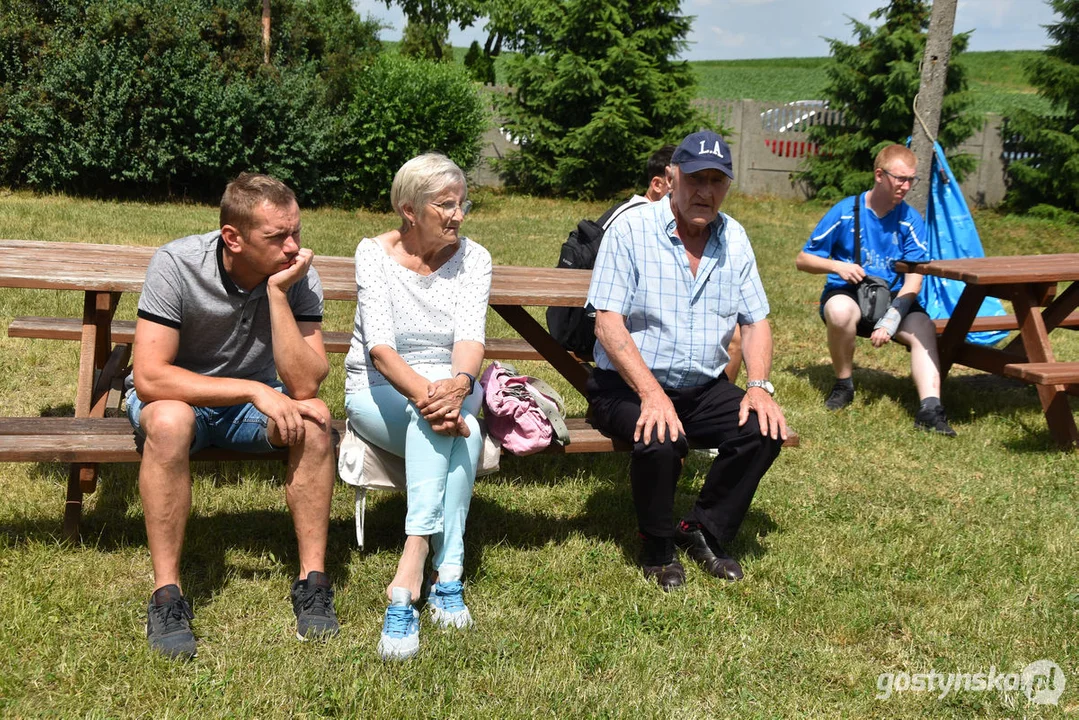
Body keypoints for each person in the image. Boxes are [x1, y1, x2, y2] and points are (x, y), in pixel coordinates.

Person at [126, 173, 338, 660]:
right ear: (232, 238)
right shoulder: (177, 264)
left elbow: (305, 384)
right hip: (182, 396)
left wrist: (279, 296)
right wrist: (251, 388)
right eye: (277, 237)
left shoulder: (296, 272)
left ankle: (313, 581)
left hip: (253, 405)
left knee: (314, 418)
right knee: (167, 422)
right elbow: (151, 378)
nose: (292, 247)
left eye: (296, 233)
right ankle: (167, 595)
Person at [586, 130, 787, 592]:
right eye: (696, 178)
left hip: (702, 386)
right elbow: (608, 323)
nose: (706, 190)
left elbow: (756, 321)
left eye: (717, 181)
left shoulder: (733, 237)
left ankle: (704, 528)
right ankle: (656, 544)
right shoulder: (632, 230)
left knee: (762, 429)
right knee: (659, 436)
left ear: (728, 187)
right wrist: (652, 394)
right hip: (627, 385)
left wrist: (757, 385)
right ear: (672, 178)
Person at [344, 153, 492, 661]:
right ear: (409, 210)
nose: (458, 215)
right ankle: (441, 571)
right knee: (453, 428)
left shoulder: (476, 258)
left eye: (461, 203)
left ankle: (411, 577)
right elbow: (381, 351)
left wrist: (457, 384)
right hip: (378, 387)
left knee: (451, 423)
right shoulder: (372, 254)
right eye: (444, 205)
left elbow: (471, 340)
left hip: (452, 380)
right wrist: (433, 399)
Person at [795, 144, 956, 436]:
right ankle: (844, 385)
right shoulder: (845, 212)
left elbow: (916, 277)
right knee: (840, 312)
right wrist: (837, 267)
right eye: (900, 179)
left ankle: (931, 409)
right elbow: (803, 259)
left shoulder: (910, 219)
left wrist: (893, 318)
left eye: (912, 180)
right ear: (879, 175)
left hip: (894, 300)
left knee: (923, 326)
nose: (906, 187)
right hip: (850, 294)